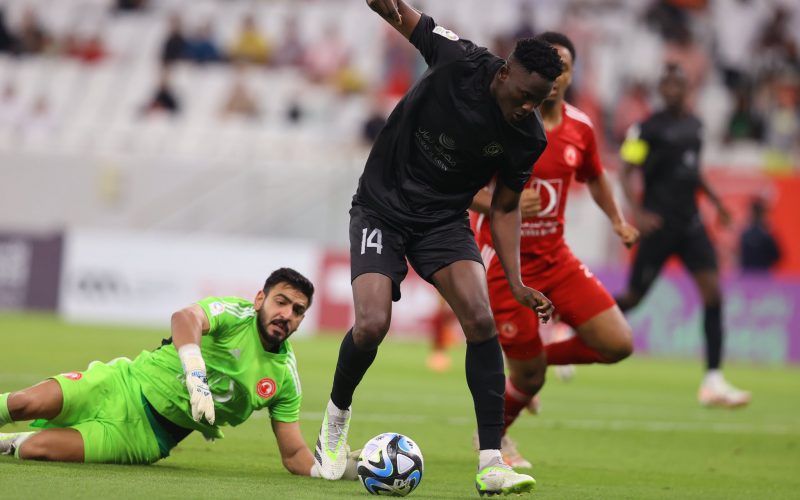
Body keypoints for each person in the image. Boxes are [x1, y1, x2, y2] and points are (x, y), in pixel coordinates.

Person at [312, 1, 562, 495]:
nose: (528, 108)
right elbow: (404, 18)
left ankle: (491, 461)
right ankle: (334, 425)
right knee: (371, 325)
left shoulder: (527, 136)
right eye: (525, 95)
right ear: (507, 71)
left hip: (442, 221)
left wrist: (515, 281)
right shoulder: (460, 59)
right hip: (381, 206)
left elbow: (507, 207)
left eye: (539, 101)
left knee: (481, 318)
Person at [0, 268, 356, 479]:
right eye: (281, 302)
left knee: (37, 449)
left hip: (144, 437)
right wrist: (195, 374)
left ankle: (10, 444)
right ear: (261, 299)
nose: (287, 315)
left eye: (298, 310)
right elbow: (185, 318)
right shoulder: (235, 314)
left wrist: (335, 470)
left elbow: (292, 453)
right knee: (26, 403)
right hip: (122, 383)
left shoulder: (284, 379)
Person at [471, 31, 639, 468]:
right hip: (508, 264)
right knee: (529, 376)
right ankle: (494, 437)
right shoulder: (501, 121)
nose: (556, 74)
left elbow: (597, 176)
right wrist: (500, 204)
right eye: (550, 66)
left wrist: (617, 220)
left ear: (569, 75)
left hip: (555, 257)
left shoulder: (581, 128)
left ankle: (534, 366)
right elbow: (461, 186)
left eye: (563, 66)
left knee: (618, 344)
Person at [617, 64, 751, 408]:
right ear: (661, 89)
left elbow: (693, 171)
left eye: (679, 84)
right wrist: (639, 213)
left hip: (691, 224)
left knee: (714, 294)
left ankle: (713, 380)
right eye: (668, 84)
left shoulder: (695, 126)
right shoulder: (646, 129)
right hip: (659, 226)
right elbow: (625, 171)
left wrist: (717, 202)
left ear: (687, 88)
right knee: (633, 298)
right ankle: (575, 327)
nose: (673, 89)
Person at [739, 197, 781, 272]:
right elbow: (777, 256)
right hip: (763, 277)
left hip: (748, 277)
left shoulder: (745, 234)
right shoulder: (766, 234)